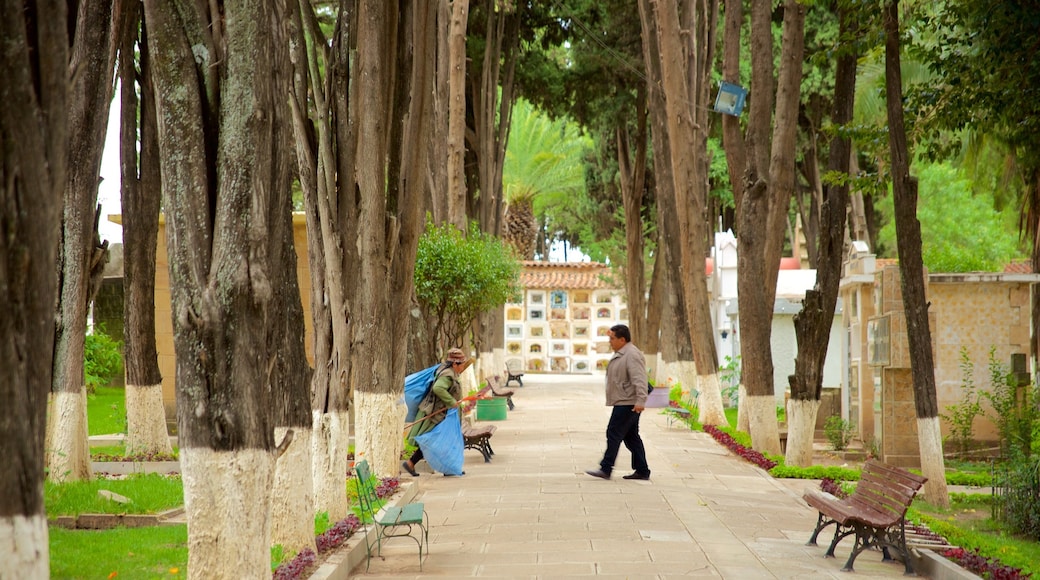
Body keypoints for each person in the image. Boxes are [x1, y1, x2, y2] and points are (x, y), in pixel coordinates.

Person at [586, 324, 651, 480]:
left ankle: (606, 468)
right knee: (631, 437)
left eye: (612, 338)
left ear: (622, 339)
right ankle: (642, 470)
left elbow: (640, 379)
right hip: (624, 400)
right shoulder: (622, 353)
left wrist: (641, 400)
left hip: (628, 402)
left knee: (613, 432)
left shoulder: (631, 354)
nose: (610, 341)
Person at [402, 347, 468, 476]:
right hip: (435, 414)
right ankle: (410, 463)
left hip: (439, 413)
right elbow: (438, 388)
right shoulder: (447, 374)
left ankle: (447, 467)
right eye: (462, 364)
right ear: (455, 364)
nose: (463, 367)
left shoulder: (446, 371)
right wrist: (451, 402)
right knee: (431, 440)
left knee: (439, 440)